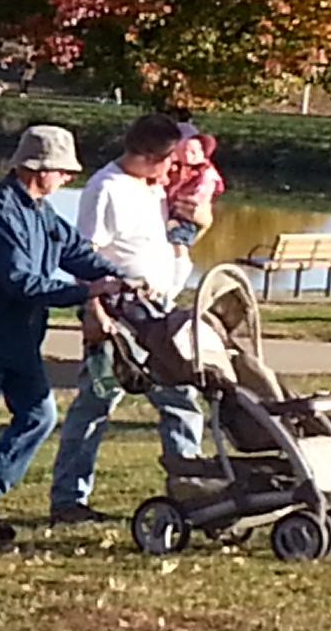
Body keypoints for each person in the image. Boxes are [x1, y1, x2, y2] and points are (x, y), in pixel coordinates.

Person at [0, 124, 126, 551]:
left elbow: (75, 251)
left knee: (39, 416)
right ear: (35, 169)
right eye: (61, 170)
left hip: (21, 340)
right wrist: (87, 291)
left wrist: (119, 277)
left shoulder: (40, 211)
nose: (67, 178)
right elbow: (21, 282)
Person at [47, 114, 211, 525]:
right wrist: (93, 311)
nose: (175, 169)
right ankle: (69, 499)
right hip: (122, 317)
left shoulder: (154, 188)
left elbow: (172, 241)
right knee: (97, 401)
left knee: (181, 398)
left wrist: (201, 224)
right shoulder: (105, 189)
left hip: (160, 313)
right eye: (169, 161)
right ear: (146, 156)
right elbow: (84, 257)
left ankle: (187, 488)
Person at [165, 123, 223, 251]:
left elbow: (200, 200)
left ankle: (180, 263)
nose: (186, 155)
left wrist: (205, 221)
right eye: (182, 150)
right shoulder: (171, 172)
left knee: (179, 241)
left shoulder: (205, 174)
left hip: (181, 218)